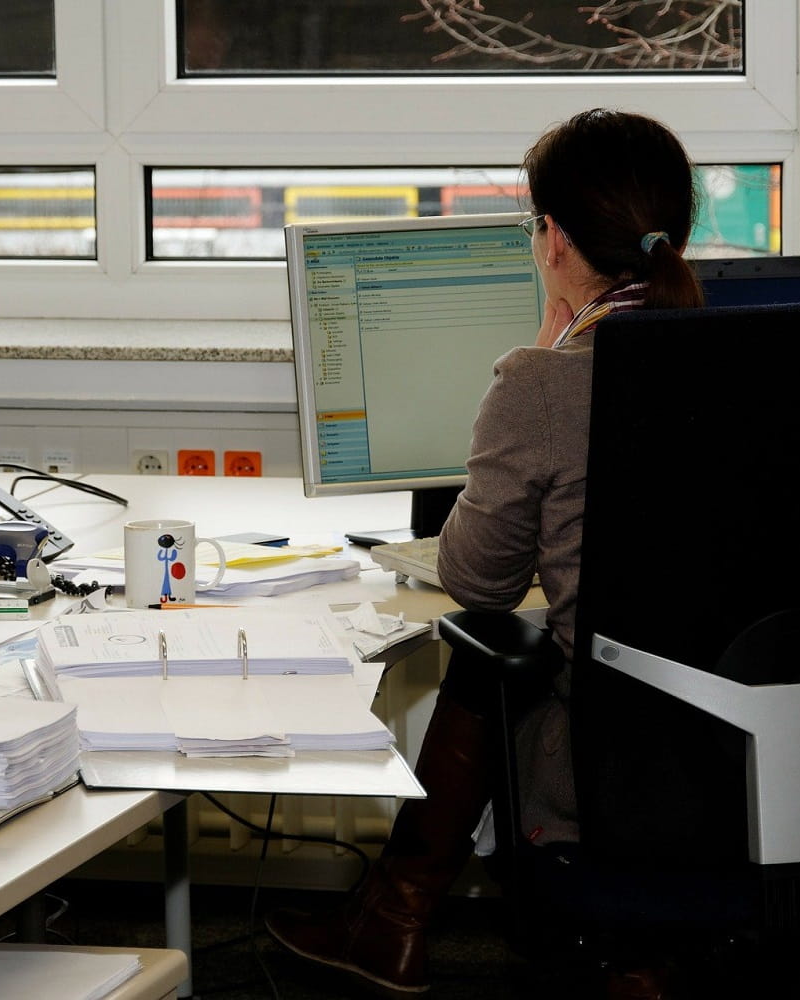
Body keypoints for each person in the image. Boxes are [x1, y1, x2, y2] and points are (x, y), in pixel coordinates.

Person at [266, 108, 704, 996]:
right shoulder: (752, 355)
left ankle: (393, 917)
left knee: (494, 661)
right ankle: (399, 919)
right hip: (760, 741)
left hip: (616, 766)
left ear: (549, 237)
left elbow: (477, 581)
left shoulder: (545, 381)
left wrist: (540, 361)